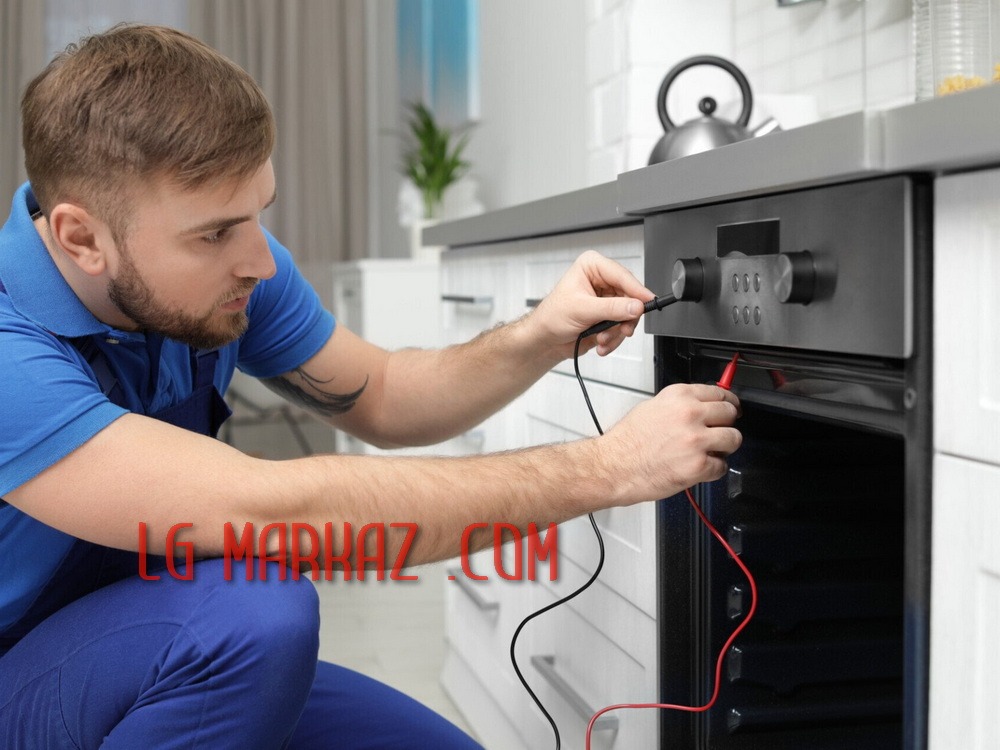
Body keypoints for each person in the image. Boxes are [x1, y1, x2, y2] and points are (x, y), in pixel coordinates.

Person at [0, 23, 741, 750]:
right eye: (216, 233)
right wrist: (611, 467)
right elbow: (275, 513)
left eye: (259, 214)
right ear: (82, 238)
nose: (261, 261)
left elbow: (384, 394)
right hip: (32, 676)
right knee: (258, 614)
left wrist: (539, 334)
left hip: (155, 646)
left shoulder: (221, 274)